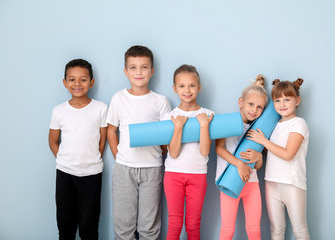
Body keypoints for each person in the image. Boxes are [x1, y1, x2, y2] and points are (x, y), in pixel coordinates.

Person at [106, 45, 171, 240]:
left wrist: (161, 153)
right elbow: (111, 130)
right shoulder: (119, 98)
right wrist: (119, 156)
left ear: (152, 71)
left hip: (152, 168)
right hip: (124, 168)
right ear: (126, 72)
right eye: (133, 67)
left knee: (149, 226)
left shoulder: (160, 100)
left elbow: (167, 136)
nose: (139, 72)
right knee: (123, 225)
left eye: (144, 67)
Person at [48, 59, 108, 240]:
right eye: (72, 79)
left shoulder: (101, 108)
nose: (77, 84)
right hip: (65, 173)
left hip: (92, 174)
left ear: (91, 82)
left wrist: (88, 159)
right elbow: (52, 141)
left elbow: (102, 140)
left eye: (83, 79)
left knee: (88, 227)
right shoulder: (59, 111)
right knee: (65, 226)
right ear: (65, 83)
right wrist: (66, 159)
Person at [247, 78, 310, 239]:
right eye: (277, 100)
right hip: (271, 182)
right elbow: (271, 151)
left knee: (299, 230)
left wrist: (263, 141)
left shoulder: (299, 124)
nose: (282, 104)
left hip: (292, 183)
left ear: (297, 100)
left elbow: (288, 154)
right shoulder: (275, 125)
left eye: (287, 99)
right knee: (276, 229)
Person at [162, 64, 214, 240]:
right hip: (173, 175)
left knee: (193, 224)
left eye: (192, 85)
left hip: (197, 175)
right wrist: (178, 127)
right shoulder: (169, 116)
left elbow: (205, 151)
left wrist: (204, 125)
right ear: (175, 88)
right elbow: (173, 153)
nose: (187, 90)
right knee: (175, 224)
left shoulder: (208, 115)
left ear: (199, 87)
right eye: (182, 86)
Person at [215, 75, 268, 240]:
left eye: (259, 107)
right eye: (251, 104)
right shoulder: (227, 122)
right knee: (227, 230)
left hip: (252, 183)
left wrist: (259, 156)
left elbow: (258, 164)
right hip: (229, 182)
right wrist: (239, 164)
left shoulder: (259, 130)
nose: (254, 110)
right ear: (241, 102)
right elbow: (219, 149)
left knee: (254, 230)